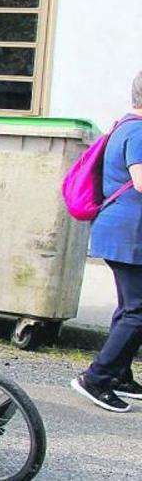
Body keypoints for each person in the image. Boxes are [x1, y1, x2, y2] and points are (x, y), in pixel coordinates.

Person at [70, 71, 142, 413]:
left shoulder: (124, 126)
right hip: (127, 234)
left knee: (131, 307)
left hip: (123, 231)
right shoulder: (139, 131)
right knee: (138, 311)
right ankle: (96, 378)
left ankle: (119, 374)